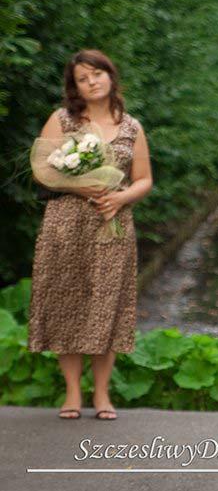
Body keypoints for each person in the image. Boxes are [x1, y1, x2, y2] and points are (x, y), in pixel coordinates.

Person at [28, 49, 153, 420]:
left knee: (106, 307)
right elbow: (43, 170)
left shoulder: (131, 127)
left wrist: (119, 197)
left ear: (111, 77)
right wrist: (83, 188)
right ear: (75, 87)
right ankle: (71, 395)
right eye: (83, 78)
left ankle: (101, 395)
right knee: (67, 303)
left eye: (97, 73)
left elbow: (144, 179)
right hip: (65, 225)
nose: (91, 81)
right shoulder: (62, 120)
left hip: (111, 227)